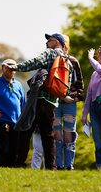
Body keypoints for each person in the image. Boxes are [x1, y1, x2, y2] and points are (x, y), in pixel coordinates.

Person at [12, 33, 72, 170]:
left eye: (49, 40)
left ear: (56, 42)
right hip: (52, 102)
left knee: (25, 130)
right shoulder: (67, 60)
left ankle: (19, 164)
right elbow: (68, 85)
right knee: (48, 135)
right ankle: (51, 167)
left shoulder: (50, 53)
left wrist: (16, 67)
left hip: (38, 100)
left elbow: (35, 62)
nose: (46, 43)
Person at [53, 35, 84, 170]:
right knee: (57, 135)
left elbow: (80, 84)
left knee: (69, 134)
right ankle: (59, 165)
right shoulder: (52, 60)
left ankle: (69, 166)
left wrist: (74, 97)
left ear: (63, 44)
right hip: (55, 103)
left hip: (69, 104)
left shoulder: (73, 61)